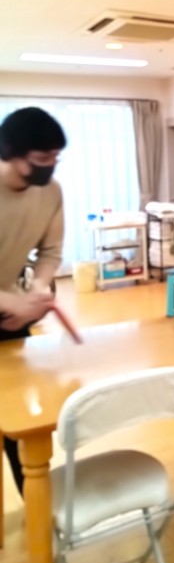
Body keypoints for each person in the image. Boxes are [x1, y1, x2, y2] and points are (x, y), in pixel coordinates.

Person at [0, 106, 67, 494]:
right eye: (43, 157)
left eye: (56, 157)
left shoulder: (51, 191)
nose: (50, 166)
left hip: (8, 313)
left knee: (18, 417)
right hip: (8, 306)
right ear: (12, 152)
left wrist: (38, 289)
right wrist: (13, 304)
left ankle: (38, 509)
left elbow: (51, 251)